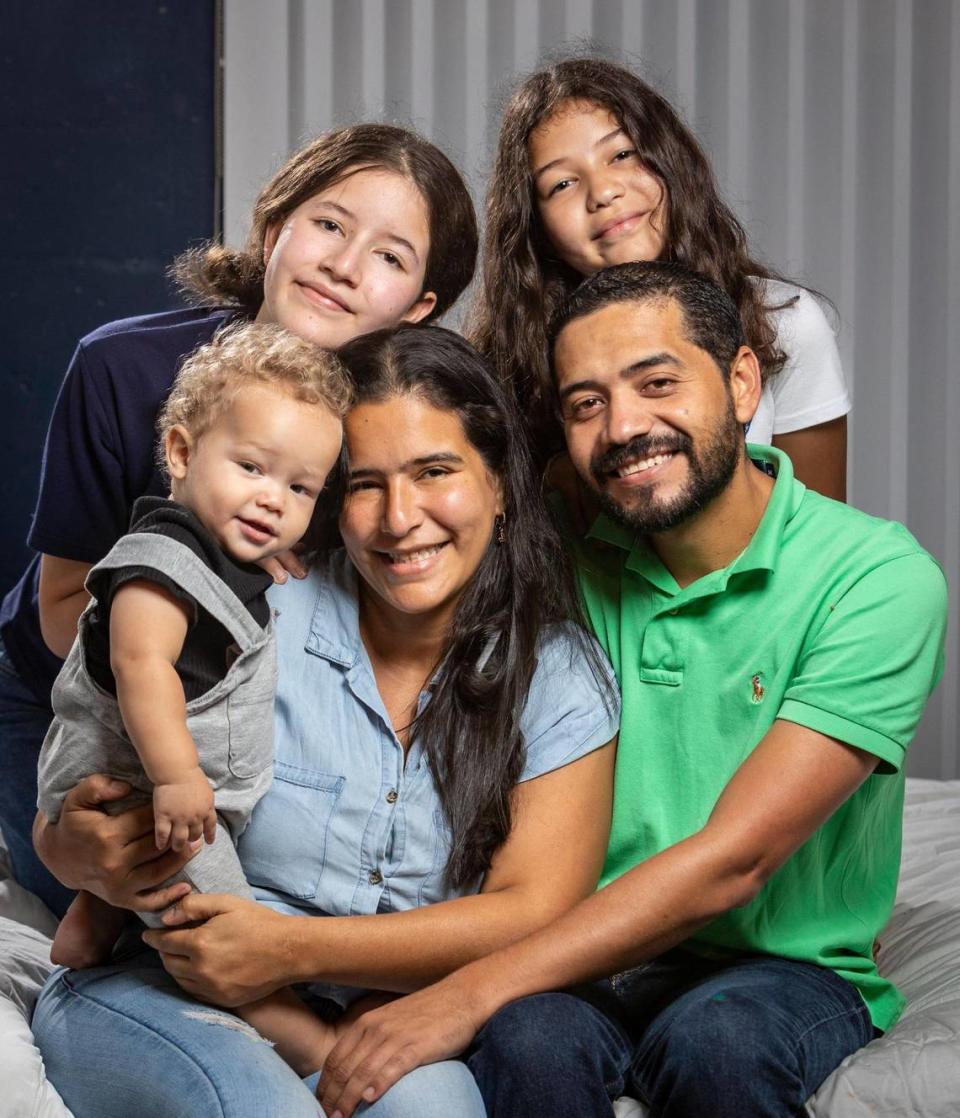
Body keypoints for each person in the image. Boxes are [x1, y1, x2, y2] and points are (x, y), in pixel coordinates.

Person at [313, 263, 947, 1118]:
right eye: (585, 404)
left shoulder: (874, 576)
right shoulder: (554, 566)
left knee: (718, 1042)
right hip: (575, 957)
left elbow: (737, 862)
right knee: (528, 1043)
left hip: (778, 970)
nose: (625, 427)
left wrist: (463, 992)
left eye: (657, 383)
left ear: (743, 380)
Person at [30, 324, 619, 1118]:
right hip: (157, 982)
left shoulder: (558, 673)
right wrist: (80, 852)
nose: (399, 517)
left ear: (501, 488)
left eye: (435, 471)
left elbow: (534, 911)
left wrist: (287, 951)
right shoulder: (248, 611)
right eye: (366, 483)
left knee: (439, 1111)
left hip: (365, 1014)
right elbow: (83, 780)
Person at [0, 122, 478, 918]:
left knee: (252, 902)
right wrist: (203, 585)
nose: (343, 266)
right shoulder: (124, 369)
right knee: (131, 894)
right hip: (69, 696)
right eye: (328, 224)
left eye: (390, 256)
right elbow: (59, 616)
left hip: (229, 707)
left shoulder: (393, 429)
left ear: (420, 307)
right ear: (273, 227)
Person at [37, 322, 355, 1078]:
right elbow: (142, 665)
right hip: (140, 785)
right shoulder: (160, 565)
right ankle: (294, 1029)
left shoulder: (225, 557)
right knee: (208, 908)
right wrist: (180, 778)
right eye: (251, 467)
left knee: (139, 884)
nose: (272, 500)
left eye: (300, 488)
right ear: (181, 454)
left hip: (155, 784)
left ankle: (89, 926)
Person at [470, 56, 850, 498]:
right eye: (562, 184)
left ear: (670, 160)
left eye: (622, 154)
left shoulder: (783, 324)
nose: (604, 192)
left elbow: (820, 535)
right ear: (537, 226)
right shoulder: (507, 365)